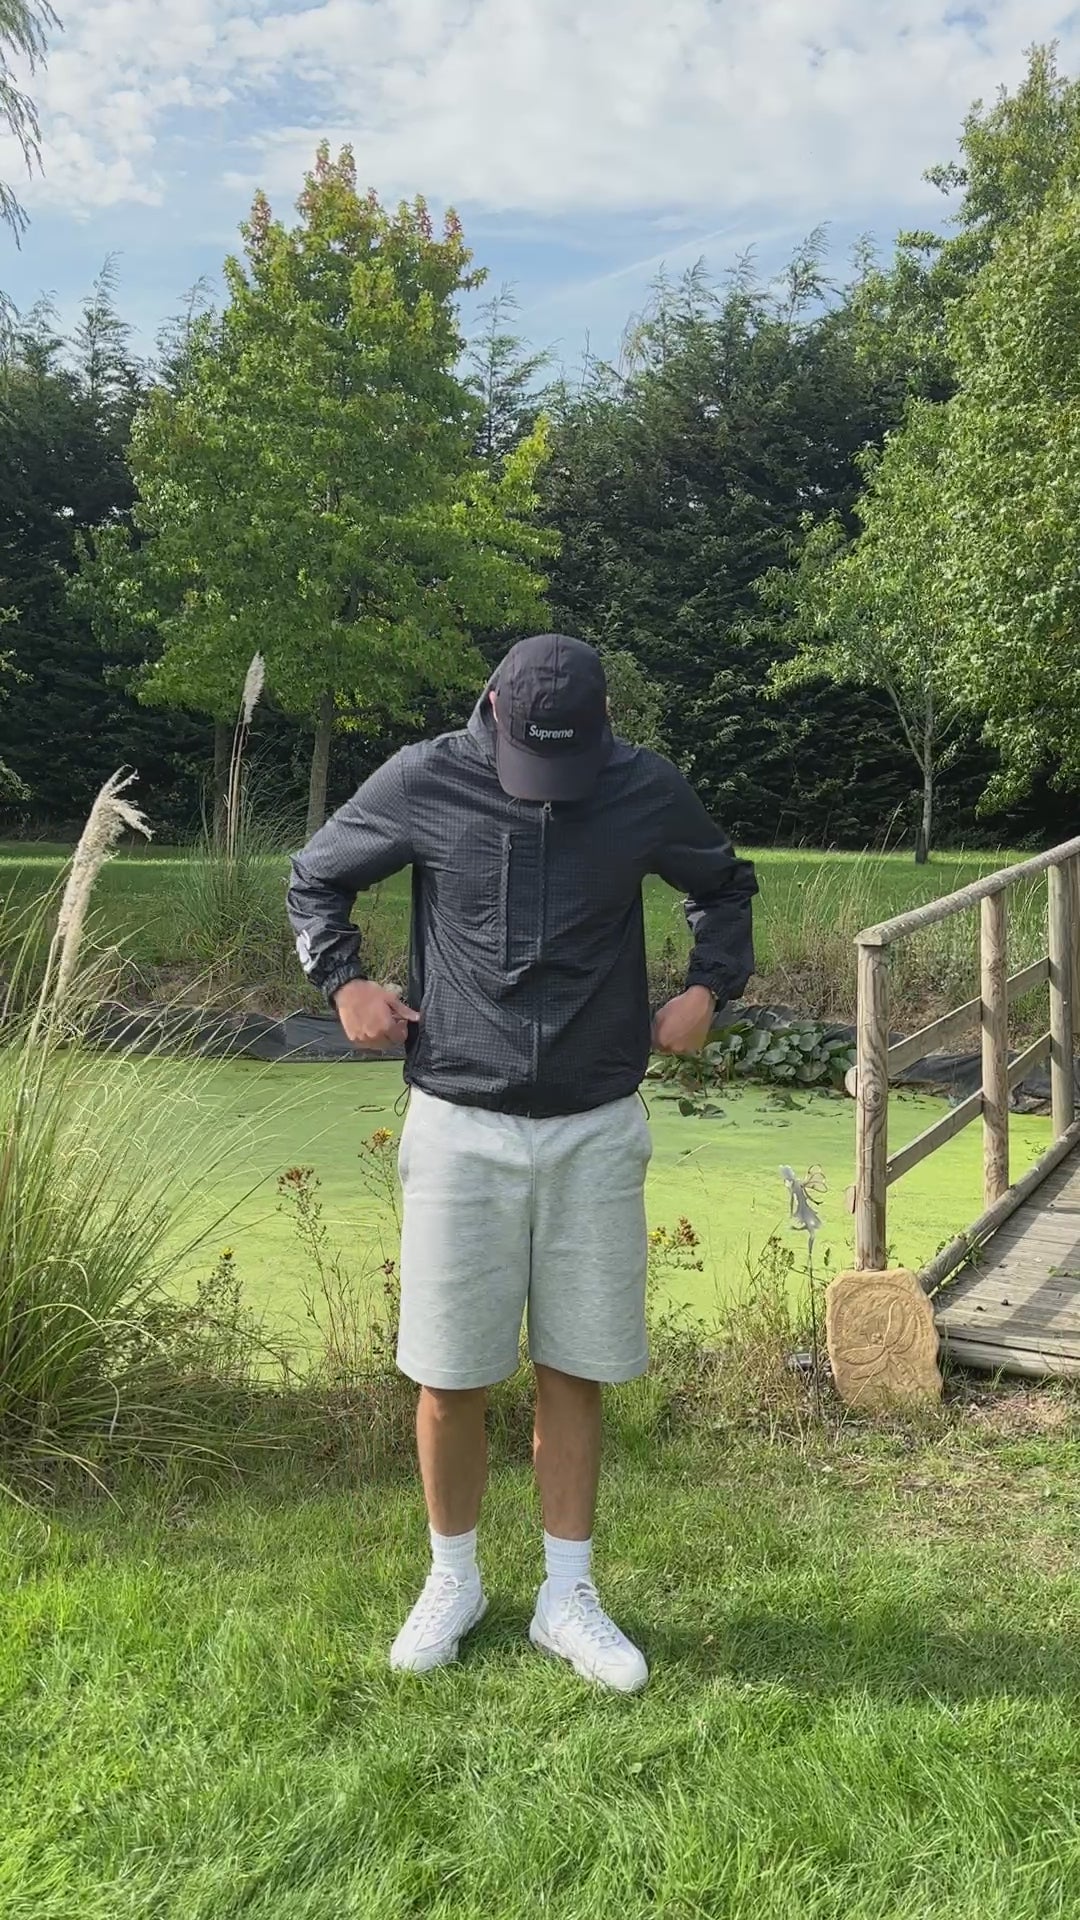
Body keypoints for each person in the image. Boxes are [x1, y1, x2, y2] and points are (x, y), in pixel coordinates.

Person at [287, 634, 757, 1692]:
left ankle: (566, 1596)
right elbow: (315, 879)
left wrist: (708, 989)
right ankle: (453, 1580)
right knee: (449, 1373)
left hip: (596, 1121)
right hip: (461, 1119)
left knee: (575, 1367)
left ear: (602, 728)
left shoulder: (643, 787)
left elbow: (725, 886)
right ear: (492, 709)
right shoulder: (425, 778)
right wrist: (344, 983)